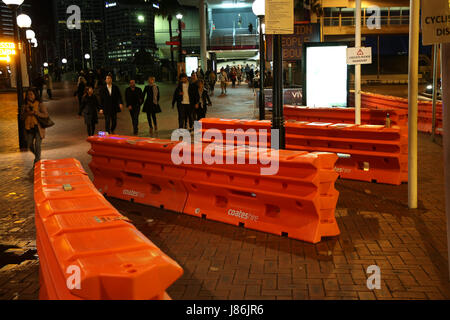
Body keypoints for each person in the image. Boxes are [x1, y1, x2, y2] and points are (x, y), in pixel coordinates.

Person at [20, 88, 49, 168]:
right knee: (29, 145)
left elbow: (46, 115)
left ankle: (37, 161)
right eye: (28, 95)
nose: (30, 96)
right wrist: (27, 113)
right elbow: (21, 117)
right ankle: (38, 157)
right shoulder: (25, 105)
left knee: (37, 145)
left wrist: (36, 113)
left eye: (31, 94)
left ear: (35, 95)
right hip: (29, 128)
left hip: (38, 127)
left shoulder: (40, 104)